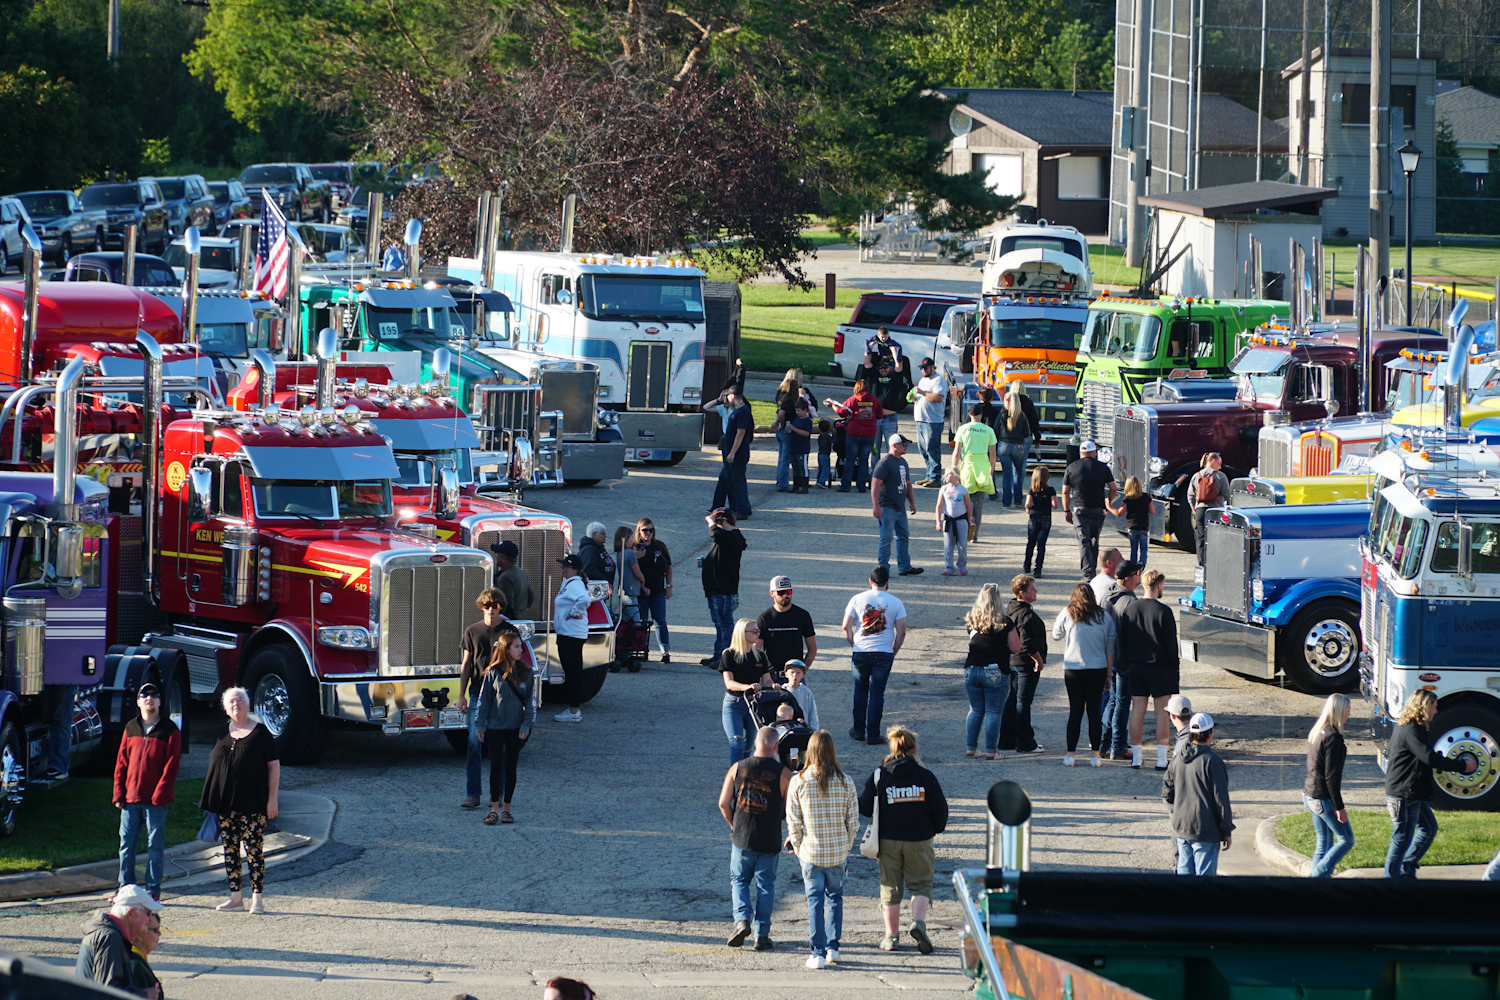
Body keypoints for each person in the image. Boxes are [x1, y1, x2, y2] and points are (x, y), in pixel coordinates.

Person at [858, 726, 948, 954]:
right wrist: (934, 829)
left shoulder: (880, 774)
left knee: (890, 887)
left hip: (888, 839)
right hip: (919, 838)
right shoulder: (925, 776)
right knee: (921, 884)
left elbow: (865, 806)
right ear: (915, 748)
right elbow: (940, 809)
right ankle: (918, 923)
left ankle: (891, 937)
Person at [200, 687, 279, 914]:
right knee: (230, 850)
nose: (236, 704)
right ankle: (235, 898)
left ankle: (257, 899)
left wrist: (272, 800)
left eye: (240, 700)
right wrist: (210, 799)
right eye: (231, 702)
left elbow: (274, 766)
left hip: (253, 803)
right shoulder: (221, 732)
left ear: (247, 704)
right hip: (226, 804)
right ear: (225, 708)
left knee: (254, 850)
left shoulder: (261, 733)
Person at [1383, 689, 1477, 878]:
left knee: (1428, 828)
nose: (1436, 711)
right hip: (1404, 795)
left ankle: (1406, 870)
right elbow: (1429, 758)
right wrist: (1461, 766)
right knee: (1401, 839)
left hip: (1413, 793)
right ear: (1424, 707)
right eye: (1434, 707)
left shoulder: (1412, 728)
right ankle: (1389, 883)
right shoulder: (1410, 730)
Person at [786, 731, 859, 969]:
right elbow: (854, 821)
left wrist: (798, 847)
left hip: (810, 852)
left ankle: (816, 952)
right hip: (837, 851)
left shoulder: (798, 781)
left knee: (814, 901)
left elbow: (793, 822)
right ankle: (833, 948)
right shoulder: (846, 781)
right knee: (835, 898)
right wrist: (846, 845)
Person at [718, 726, 792, 951]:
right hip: (769, 839)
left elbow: (723, 803)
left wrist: (734, 825)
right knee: (766, 886)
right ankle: (762, 934)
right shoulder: (783, 773)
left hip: (742, 837)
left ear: (755, 743)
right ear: (776, 746)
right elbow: (791, 809)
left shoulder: (737, 768)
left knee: (739, 880)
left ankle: (742, 920)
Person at [113, 682, 181, 901]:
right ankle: (125, 888)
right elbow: (121, 763)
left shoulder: (170, 730)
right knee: (126, 844)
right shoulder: (130, 727)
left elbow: (171, 766)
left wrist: (159, 795)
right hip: (130, 799)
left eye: (154, 695)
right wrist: (118, 793)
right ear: (138, 702)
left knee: (155, 845)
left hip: (155, 802)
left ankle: (153, 890)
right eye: (144, 695)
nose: (149, 698)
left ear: (160, 701)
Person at [456, 588, 511, 808]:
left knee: (499, 745)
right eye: (487, 606)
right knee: (473, 742)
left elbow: (517, 660)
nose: (491, 610)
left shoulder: (509, 631)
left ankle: (497, 794)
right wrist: (461, 695)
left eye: (495, 606)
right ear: (481, 607)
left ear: (501, 608)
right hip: (477, 693)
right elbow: (466, 664)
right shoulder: (472, 631)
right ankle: (473, 793)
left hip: (502, 696)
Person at [1121, 569, 1180, 772]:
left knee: (1137, 710)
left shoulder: (1131, 609)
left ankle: (1137, 757)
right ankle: (1161, 759)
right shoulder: (1164, 611)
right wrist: (1175, 667)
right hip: (1161, 668)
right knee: (1162, 714)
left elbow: (1123, 640)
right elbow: (1171, 645)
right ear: (1159, 585)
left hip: (1137, 667)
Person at [1051, 584, 1116, 768]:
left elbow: (1056, 635)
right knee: (1094, 712)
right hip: (1098, 668)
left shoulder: (1068, 612)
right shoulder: (1104, 616)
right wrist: (1109, 675)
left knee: (1075, 711)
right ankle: (1095, 755)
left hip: (1073, 669)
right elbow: (1109, 647)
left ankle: (1070, 754)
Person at [476, 630, 536, 825]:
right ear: (506, 649)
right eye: (517, 646)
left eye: (521, 646)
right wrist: (479, 725)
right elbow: (484, 702)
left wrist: (526, 726)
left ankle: (507, 810)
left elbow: (530, 703)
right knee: (495, 766)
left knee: (511, 767)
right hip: (494, 727)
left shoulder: (526, 672)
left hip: (516, 728)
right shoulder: (493, 672)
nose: (521, 649)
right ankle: (494, 809)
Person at [843, 566, 908, 744]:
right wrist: (894, 650)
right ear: (888, 582)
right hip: (884, 652)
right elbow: (901, 632)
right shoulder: (896, 602)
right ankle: (873, 733)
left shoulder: (857, 599)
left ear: (870, 581)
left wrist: (854, 644)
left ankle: (858, 730)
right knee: (877, 692)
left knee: (860, 689)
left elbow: (845, 626)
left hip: (861, 651)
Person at [1162, 712, 1233, 875]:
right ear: (1210, 733)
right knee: (1204, 886)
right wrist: (1226, 830)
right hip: (1205, 831)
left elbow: (1166, 792)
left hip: (1181, 828)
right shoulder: (1213, 761)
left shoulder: (1178, 758)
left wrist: (1177, 813)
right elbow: (1221, 800)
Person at [964, 584, 1021, 759]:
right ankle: (991, 750)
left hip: (972, 669)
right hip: (994, 670)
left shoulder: (973, 620)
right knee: (994, 712)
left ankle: (971, 748)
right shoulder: (1005, 622)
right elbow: (1015, 648)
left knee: (975, 710)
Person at [77, 884, 162, 997]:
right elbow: (107, 993)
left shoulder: (111, 934)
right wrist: (143, 995)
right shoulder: (110, 938)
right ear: (130, 913)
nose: (149, 919)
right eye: (148, 913)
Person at [1304, 693, 1354, 878]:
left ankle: (1316, 889)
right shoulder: (1333, 739)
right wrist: (1339, 807)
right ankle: (1313, 881)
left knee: (1323, 843)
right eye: (1348, 710)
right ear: (1339, 711)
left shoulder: (1318, 731)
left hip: (1310, 795)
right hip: (1322, 798)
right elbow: (1331, 778)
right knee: (1346, 840)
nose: (1349, 714)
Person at [1000, 574, 1046, 755]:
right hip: (1025, 663)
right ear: (1022, 593)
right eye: (1032, 589)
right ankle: (1025, 742)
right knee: (1023, 702)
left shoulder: (1011, 609)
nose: (1035, 592)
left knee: (1013, 700)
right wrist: (1039, 660)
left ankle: (1006, 740)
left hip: (1013, 662)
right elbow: (1027, 642)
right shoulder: (1025, 614)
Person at [719, 619, 777, 764]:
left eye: (758, 631)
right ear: (742, 633)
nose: (758, 634)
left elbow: (767, 680)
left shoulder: (760, 655)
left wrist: (773, 686)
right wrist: (748, 686)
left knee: (749, 743)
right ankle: (736, 776)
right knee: (736, 743)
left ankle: (745, 772)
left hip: (753, 705)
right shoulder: (729, 654)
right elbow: (729, 683)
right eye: (754, 631)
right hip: (734, 703)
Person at [1101, 560, 1141, 764]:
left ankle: (1104, 744)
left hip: (1108, 658)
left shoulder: (1107, 596)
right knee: (1122, 703)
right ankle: (1118, 747)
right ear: (1129, 578)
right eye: (1137, 572)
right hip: (1124, 661)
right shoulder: (1131, 603)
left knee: (1113, 701)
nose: (1140, 575)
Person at [1062, 440, 1117, 580]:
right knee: (1094, 540)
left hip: (1080, 510)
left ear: (1080, 453)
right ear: (1094, 453)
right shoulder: (1103, 467)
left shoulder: (1072, 467)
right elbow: (1113, 488)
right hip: (1098, 510)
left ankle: (1088, 573)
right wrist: (1108, 503)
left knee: (1083, 541)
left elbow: (1065, 492)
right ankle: (1092, 570)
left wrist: (1066, 510)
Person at [701, 509, 748, 666]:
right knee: (719, 624)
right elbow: (718, 558)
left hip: (724, 591)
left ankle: (725, 660)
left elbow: (716, 534)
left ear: (724, 520)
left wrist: (710, 522)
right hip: (715, 589)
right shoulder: (725, 539)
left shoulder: (732, 536)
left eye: (718, 521)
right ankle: (717, 655)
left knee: (726, 625)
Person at [872, 433, 922, 577]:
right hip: (887, 506)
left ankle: (905, 566)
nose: (906, 447)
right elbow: (875, 486)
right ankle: (883, 570)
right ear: (895, 445)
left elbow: (908, 484)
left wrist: (912, 502)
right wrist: (876, 506)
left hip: (900, 507)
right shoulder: (884, 463)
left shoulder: (903, 462)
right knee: (886, 538)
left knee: (904, 536)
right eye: (904, 444)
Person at [551, 554, 590, 723]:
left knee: (574, 672)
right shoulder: (569, 583)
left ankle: (574, 711)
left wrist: (574, 613)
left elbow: (585, 599)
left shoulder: (575, 584)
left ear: (574, 570)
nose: (562, 568)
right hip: (568, 634)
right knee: (571, 672)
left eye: (565, 566)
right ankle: (573, 708)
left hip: (572, 634)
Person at [825, 379, 882, 493]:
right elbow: (879, 415)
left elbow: (842, 412)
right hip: (869, 434)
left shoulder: (853, 400)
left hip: (854, 433)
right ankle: (861, 486)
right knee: (864, 460)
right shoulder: (874, 400)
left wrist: (833, 406)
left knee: (850, 460)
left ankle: (845, 485)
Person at [952, 403, 997, 542]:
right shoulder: (988, 430)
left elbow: (956, 452)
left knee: (964, 501)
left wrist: (954, 470)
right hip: (982, 466)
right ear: (981, 415)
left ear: (970, 415)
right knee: (978, 503)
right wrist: (991, 470)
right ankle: (975, 534)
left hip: (967, 467)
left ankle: (964, 530)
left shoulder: (963, 429)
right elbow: (993, 454)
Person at [632, 518, 674, 662]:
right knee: (642, 622)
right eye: (645, 530)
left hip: (658, 591)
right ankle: (641, 649)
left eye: (651, 530)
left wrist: (669, 586)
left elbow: (668, 568)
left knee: (660, 622)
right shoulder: (634, 547)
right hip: (640, 593)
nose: (648, 533)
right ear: (639, 531)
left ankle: (665, 651)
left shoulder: (660, 546)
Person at [757, 576, 818, 673]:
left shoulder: (802, 615)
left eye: (788, 591)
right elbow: (756, 650)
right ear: (771, 593)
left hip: (795, 677)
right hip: (771, 677)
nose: (785, 595)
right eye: (781, 592)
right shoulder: (764, 618)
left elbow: (812, 648)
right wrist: (762, 673)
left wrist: (803, 669)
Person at [711, 384, 753, 519]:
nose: (726, 398)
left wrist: (733, 452)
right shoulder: (736, 410)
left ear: (733, 396)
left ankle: (742, 510)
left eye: (727, 396)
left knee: (738, 481)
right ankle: (738, 507)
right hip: (730, 451)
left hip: (737, 453)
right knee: (731, 480)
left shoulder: (743, 411)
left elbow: (740, 433)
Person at [861, 354, 910, 455]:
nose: (883, 370)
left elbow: (899, 365)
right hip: (875, 418)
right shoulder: (875, 377)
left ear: (891, 367)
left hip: (890, 419)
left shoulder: (895, 379)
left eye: (885, 367)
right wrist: (868, 348)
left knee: (892, 448)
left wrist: (894, 349)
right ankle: (875, 470)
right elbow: (867, 363)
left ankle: (891, 469)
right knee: (874, 448)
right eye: (881, 367)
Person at [1187, 452, 1229, 567]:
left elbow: (1190, 495)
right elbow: (1226, 495)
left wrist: (1194, 509)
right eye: (1219, 463)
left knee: (1200, 539)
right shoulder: (1221, 476)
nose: (1220, 466)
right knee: (1217, 538)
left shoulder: (1197, 476)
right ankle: (1215, 565)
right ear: (1214, 461)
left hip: (1200, 510)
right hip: (1216, 511)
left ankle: (1202, 565)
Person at [995, 382, 1034, 507]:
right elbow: (1027, 433)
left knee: (1006, 475)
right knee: (1018, 473)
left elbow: (995, 430)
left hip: (1003, 445)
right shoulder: (1022, 416)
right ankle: (1018, 500)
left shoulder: (1002, 414)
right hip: (1018, 446)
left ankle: (1006, 502)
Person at [910, 358, 947, 486]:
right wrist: (913, 397)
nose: (923, 370)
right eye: (922, 368)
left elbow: (938, 397)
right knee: (923, 449)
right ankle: (929, 475)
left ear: (933, 367)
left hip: (933, 421)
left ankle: (935, 478)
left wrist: (922, 392)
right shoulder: (922, 380)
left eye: (926, 368)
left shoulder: (939, 380)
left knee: (932, 449)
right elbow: (920, 398)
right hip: (920, 420)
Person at [1109, 476, 1156, 567]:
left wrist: (1109, 508)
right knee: (1144, 549)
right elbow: (1152, 511)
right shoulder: (1146, 497)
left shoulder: (1127, 499)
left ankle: (1133, 567)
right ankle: (1141, 566)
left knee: (1133, 549)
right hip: (1143, 527)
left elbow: (1119, 513)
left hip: (1131, 527)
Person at [935, 467, 972, 576]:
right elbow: (939, 506)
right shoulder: (944, 489)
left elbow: (968, 506)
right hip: (948, 520)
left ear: (956, 475)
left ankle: (962, 566)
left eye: (948, 474)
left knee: (962, 545)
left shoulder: (963, 490)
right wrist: (938, 521)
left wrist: (969, 520)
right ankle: (948, 567)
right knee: (948, 545)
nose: (945, 477)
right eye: (945, 475)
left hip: (961, 520)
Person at [1023, 465, 1059, 577]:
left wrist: (1028, 509)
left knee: (1031, 542)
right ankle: (1038, 569)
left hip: (1033, 518)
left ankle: (1027, 564)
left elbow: (1027, 504)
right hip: (1046, 518)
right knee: (1041, 545)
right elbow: (1055, 505)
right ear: (1047, 478)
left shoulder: (1032, 490)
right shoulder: (1051, 490)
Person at [772, 370, 802, 493]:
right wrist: (784, 424)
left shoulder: (782, 400)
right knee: (785, 458)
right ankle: (783, 484)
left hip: (779, 432)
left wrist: (777, 422)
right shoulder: (790, 402)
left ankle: (779, 481)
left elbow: (779, 412)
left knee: (781, 457)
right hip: (785, 431)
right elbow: (783, 414)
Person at [127, 907, 164, 1000]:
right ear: (141, 932)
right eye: (155, 930)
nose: (159, 933)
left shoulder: (138, 957)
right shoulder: (135, 965)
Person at [491, 540, 533, 619]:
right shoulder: (519, 572)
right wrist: (521, 612)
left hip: (510, 623)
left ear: (504, 558)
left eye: (497, 554)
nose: (496, 556)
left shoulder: (505, 577)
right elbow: (531, 596)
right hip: (521, 620)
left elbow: (506, 606)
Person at [783, 660, 820, 730]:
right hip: (785, 729)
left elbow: (812, 713)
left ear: (803, 675)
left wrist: (814, 730)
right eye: (792, 672)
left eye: (798, 672)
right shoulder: (782, 691)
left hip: (802, 729)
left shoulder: (807, 692)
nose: (795, 675)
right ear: (786, 674)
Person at [788, 398, 814, 493]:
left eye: (799, 410)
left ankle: (805, 486)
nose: (797, 412)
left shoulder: (807, 421)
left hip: (802, 448)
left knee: (803, 467)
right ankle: (796, 485)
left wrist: (793, 429)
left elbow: (806, 433)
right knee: (795, 467)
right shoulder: (795, 419)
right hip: (793, 447)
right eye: (796, 410)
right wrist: (789, 430)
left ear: (805, 410)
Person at [816, 419, 835, 489]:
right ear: (829, 428)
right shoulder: (827, 437)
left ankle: (818, 480)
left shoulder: (820, 437)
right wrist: (834, 433)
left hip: (820, 455)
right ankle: (822, 481)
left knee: (821, 468)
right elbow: (835, 441)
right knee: (826, 469)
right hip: (825, 455)